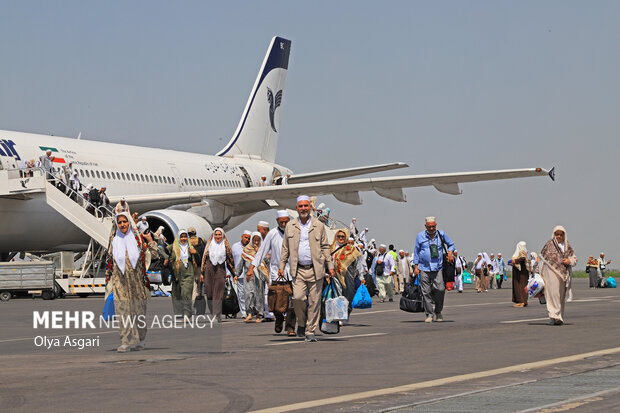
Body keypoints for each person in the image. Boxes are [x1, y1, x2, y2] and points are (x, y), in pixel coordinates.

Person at [279, 195, 334, 342]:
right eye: (301, 206)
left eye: (306, 206)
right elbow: (285, 249)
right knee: (298, 298)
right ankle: (302, 323)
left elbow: (325, 247)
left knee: (315, 301)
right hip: (298, 270)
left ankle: (310, 330)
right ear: (297, 208)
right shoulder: (290, 226)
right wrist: (282, 265)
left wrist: (330, 266)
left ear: (310, 208)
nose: (303, 209)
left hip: (316, 269)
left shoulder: (319, 225)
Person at [105, 213, 159, 352]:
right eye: (120, 222)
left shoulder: (138, 240)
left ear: (129, 223)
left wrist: (151, 241)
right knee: (123, 312)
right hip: (120, 283)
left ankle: (141, 339)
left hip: (137, 283)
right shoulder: (114, 241)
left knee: (138, 312)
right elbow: (109, 263)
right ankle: (125, 341)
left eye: (125, 222)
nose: (123, 225)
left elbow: (154, 255)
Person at [248, 210, 296, 335]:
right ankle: (279, 318)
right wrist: (251, 267)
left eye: (286, 221)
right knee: (276, 301)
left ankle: (290, 327)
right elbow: (262, 251)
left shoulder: (295, 232)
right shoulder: (272, 234)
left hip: (293, 272)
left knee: (293, 300)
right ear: (277, 221)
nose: (284, 224)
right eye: (282, 222)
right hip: (276, 273)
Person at [412, 216, 455, 323]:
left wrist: (450, 253)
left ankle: (438, 311)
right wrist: (416, 266)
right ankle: (429, 314)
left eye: (433, 226)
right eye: (429, 227)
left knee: (440, 289)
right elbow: (416, 251)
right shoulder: (420, 236)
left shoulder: (441, 234)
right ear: (425, 226)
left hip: (438, 267)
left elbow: (451, 244)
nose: (432, 228)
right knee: (426, 292)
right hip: (424, 268)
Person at [540, 226, 577, 325]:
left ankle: (557, 318)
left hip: (563, 274)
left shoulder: (567, 246)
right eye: (557, 234)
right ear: (554, 234)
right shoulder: (548, 245)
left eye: (561, 234)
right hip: (550, 273)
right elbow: (542, 260)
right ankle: (554, 315)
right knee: (553, 294)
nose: (559, 236)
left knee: (561, 296)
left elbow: (574, 258)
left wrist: (569, 261)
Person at [201, 228, 235, 322]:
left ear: (223, 236)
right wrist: (201, 273)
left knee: (218, 293)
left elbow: (230, 261)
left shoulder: (225, 246)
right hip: (209, 269)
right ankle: (215, 313)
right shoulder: (209, 246)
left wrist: (233, 273)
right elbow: (204, 259)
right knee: (209, 293)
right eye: (216, 235)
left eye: (220, 235)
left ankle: (216, 314)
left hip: (220, 270)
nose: (218, 236)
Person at [165, 229, 200, 318]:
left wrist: (195, 253)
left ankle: (187, 313)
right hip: (177, 274)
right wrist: (166, 259)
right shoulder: (172, 247)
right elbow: (162, 251)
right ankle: (179, 314)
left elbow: (199, 260)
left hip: (188, 273)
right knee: (177, 295)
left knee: (186, 293)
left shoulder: (191, 248)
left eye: (185, 237)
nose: (183, 239)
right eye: (181, 237)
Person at [331, 229, 365, 318]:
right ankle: (339, 315)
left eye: (343, 236)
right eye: (339, 236)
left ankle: (346, 312)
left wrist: (361, 277)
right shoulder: (332, 248)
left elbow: (358, 265)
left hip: (348, 276)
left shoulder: (351, 250)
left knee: (348, 295)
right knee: (337, 295)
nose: (340, 238)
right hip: (335, 275)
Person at [238, 232, 268, 322]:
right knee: (248, 294)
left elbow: (267, 260)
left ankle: (259, 314)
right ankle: (249, 313)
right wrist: (236, 274)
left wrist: (259, 251)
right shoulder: (246, 251)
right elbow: (241, 264)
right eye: (254, 240)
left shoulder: (262, 250)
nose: (256, 242)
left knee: (258, 295)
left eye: (258, 240)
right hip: (248, 276)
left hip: (259, 277)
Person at [231, 230, 251, 317]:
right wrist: (231, 273)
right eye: (246, 237)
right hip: (239, 275)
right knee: (241, 294)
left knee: (250, 294)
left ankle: (250, 311)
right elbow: (230, 260)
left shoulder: (252, 247)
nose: (247, 240)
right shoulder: (235, 246)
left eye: (249, 238)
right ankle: (243, 312)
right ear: (242, 237)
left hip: (250, 275)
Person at [511, 241, 530, 307]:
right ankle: (521, 301)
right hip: (519, 273)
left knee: (521, 287)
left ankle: (522, 301)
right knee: (519, 287)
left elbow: (522, 258)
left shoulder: (522, 253)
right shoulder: (524, 253)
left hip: (521, 274)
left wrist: (515, 261)